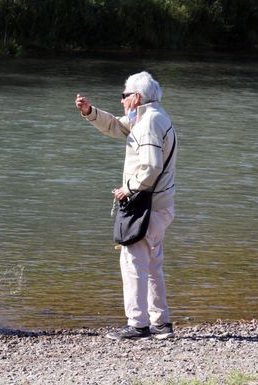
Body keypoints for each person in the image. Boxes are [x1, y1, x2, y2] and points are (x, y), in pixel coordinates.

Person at [75, 71, 178, 340]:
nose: (121, 101)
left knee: (133, 262)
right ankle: (161, 323)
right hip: (159, 205)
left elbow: (152, 166)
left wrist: (127, 188)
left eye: (124, 96)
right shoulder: (150, 117)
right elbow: (118, 126)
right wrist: (90, 112)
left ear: (137, 97)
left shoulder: (148, 124)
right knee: (153, 264)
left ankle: (137, 324)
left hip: (146, 205)